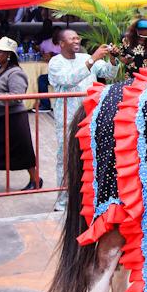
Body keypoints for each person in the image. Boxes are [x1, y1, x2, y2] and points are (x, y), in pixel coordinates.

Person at [48, 30, 118, 210]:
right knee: (66, 158)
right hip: (67, 118)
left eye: (78, 37)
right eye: (72, 38)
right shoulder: (55, 62)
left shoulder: (85, 57)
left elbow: (109, 74)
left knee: (91, 156)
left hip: (90, 116)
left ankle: (89, 198)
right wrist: (92, 59)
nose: (77, 40)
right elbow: (68, 80)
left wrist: (113, 60)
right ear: (61, 43)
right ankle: (63, 202)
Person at [0, 37, 42, 191]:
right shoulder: (0, 70)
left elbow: (17, 96)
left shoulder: (15, 73)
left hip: (13, 119)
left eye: (0, 52)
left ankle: (35, 180)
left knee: (23, 152)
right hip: (1, 118)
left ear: (8, 55)